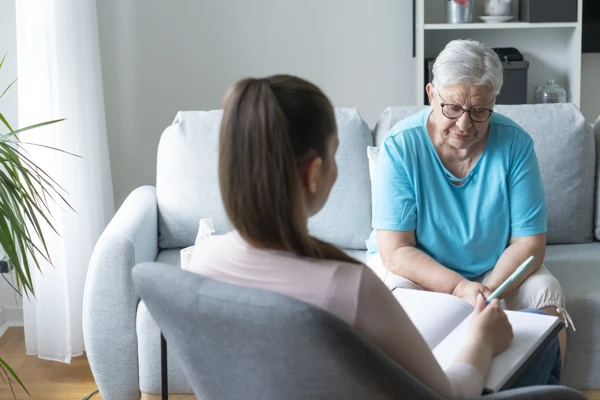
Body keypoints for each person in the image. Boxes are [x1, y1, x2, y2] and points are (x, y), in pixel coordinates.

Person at [186, 74, 561, 398]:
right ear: (315, 173)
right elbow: (445, 393)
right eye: (335, 155)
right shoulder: (350, 286)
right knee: (541, 347)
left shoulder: (200, 263)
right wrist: (482, 339)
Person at [365, 39, 572, 367]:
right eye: (453, 108)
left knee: (545, 293)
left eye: (479, 111)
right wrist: (460, 287)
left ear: (494, 102)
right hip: (415, 266)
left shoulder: (515, 144)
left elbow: (529, 242)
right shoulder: (401, 146)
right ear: (431, 94)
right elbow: (396, 250)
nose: (464, 124)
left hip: (494, 268)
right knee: (397, 302)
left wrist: (489, 289)